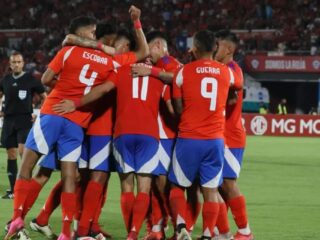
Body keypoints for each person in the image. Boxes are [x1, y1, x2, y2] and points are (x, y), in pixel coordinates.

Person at [5, 7, 148, 239]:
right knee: (70, 177)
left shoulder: (68, 51)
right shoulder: (110, 62)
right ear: (86, 33)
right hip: (77, 123)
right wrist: (77, 101)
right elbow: (135, 59)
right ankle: (65, 231)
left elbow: (45, 79)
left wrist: (66, 92)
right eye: (91, 32)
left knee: (31, 167)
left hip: (52, 113)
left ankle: (17, 217)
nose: (93, 34)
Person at [167, 30, 242, 240]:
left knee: (176, 185)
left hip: (189, 138)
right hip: (215, 140)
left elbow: (178, 106)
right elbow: (238, 85)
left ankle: (181, 225)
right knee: (210, 190)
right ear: (215, 48)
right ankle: (209, 234)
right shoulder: (226, 72)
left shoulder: (183, 72)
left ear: (195, 48)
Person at [214, 30, 254, 240]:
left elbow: (233, 93)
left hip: (230, 136)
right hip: (219, 135)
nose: (214, 48)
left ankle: (245, 231)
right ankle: (222, 233)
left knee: (227, 184)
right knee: (216, 186)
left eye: (218, 45)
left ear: (228, 49)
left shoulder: (233, 70)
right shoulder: (219, 69)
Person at [0, 52, 46, 199]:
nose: (16, 65)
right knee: (11, 154)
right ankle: (13, 190)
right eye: (14, 62)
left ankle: (25, 187)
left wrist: (40, 114)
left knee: (23, 153)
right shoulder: (5, 80)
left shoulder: (30, 80)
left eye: (19, 62)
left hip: (25, 120)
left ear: (23, 63)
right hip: (8, 121)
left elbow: (45, 97)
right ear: (10, 64)